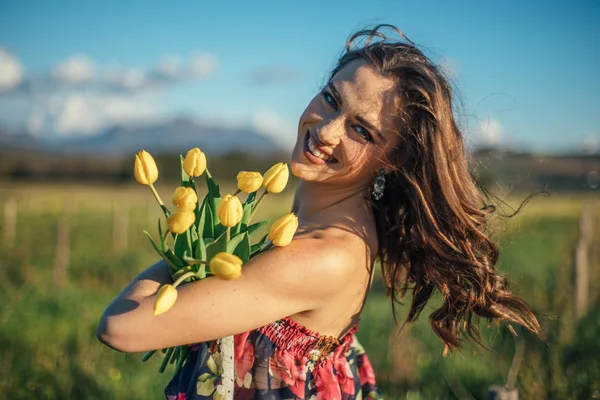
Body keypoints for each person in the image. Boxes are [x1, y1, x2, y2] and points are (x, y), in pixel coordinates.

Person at [97, 24, 541, 399]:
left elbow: (123, 328)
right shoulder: (326, 223)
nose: (326, 131)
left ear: (392, 160)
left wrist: (191, 244)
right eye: (331, 99)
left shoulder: (325, 254)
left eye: (361, 130)